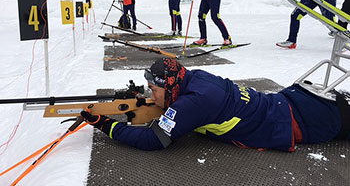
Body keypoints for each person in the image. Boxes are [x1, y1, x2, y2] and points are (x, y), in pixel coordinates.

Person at [81, 58, 349, 152]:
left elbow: (154, 140)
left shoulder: (192, 104)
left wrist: (106, 126)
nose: (152, 95)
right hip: (293, 100)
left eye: (154, 89)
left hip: (300, 121)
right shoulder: (194, 77)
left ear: (170, 84)